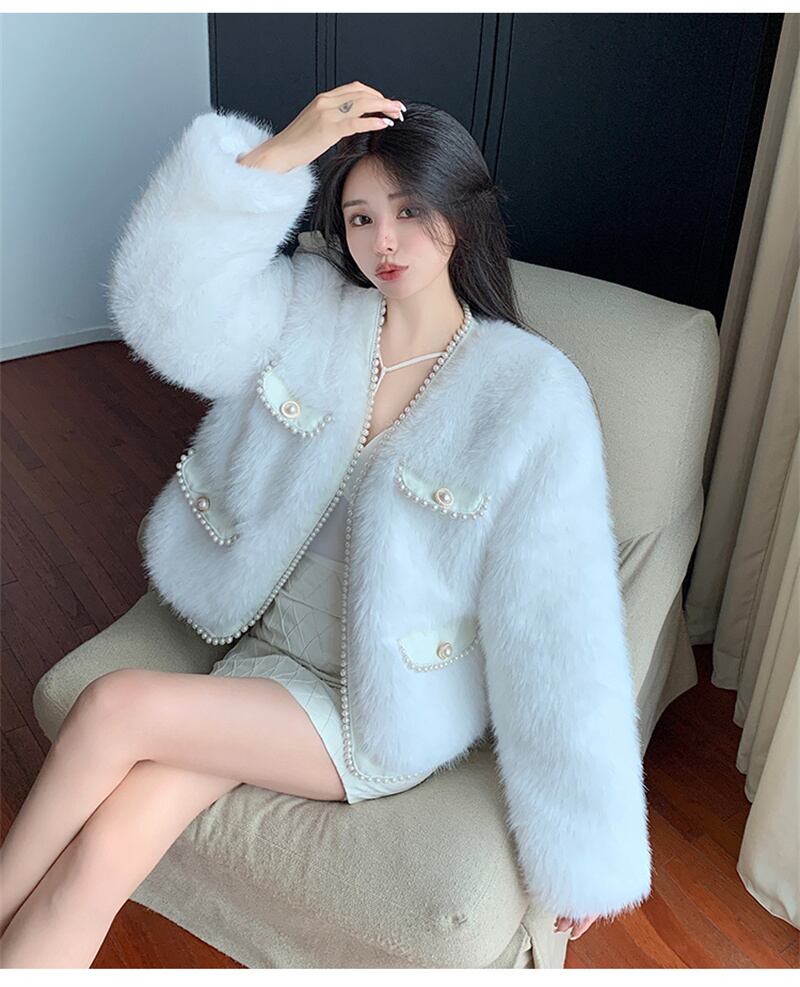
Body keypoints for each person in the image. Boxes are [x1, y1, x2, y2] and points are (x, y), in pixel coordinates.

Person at [0, 83, 636, 968]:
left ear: (460, 212)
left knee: (113, 705)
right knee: (102, 853)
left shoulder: (533, 394)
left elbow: (561, 627)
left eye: (409, 211)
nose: (385, 241)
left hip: (372, 707)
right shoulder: (313, 308)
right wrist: (276, 156)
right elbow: (166, 317)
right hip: (264, 658)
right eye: (361, 217)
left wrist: (583, 854)